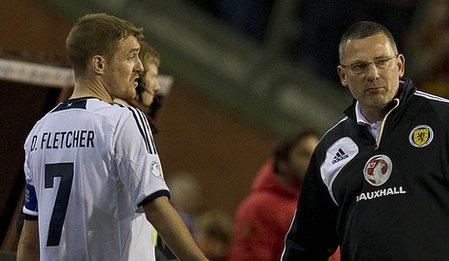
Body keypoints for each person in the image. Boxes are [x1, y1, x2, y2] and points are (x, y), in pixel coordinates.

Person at [16, 13, 206, 261]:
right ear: (99, 64)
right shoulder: (123, 120)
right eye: (130, 56)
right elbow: (157, 208)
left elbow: (30, 242)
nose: (139, 66)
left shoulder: (39, 131)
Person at [282, 21, 449, 260]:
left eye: (382, 62)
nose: (373, 74)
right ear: (343, 75)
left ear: (399, 65)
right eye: (359, 67)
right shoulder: (329, 150)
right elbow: (304, 246)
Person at [228, 129, 332, 261]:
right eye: (305, 155)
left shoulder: (317, 206)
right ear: (283, 162)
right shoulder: (260, 207)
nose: (313, 162)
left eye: (316, 155)